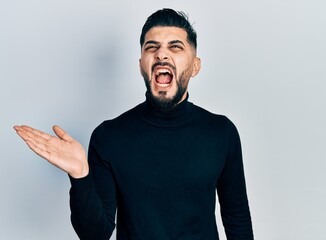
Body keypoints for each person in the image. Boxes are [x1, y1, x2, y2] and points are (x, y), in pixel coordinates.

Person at [14, 8, 254, 240]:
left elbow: (237, 221)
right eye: (152, 47)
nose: (161, 54)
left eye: (175, 47)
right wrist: (80, 176)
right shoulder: (109, 136)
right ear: (141, 65)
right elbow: (95, 234)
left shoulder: (221, 133)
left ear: (194, 66)